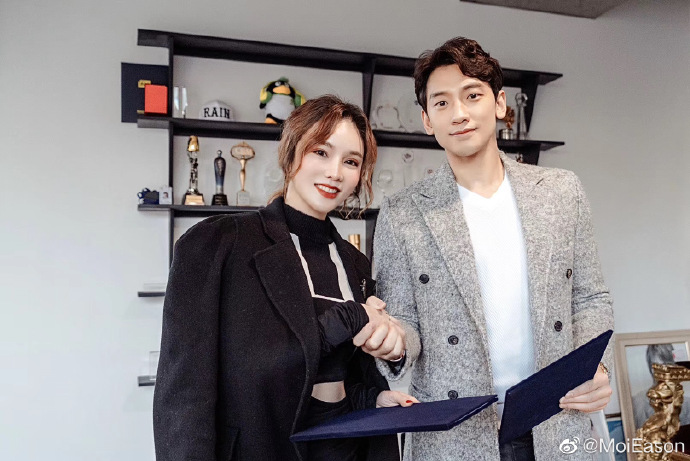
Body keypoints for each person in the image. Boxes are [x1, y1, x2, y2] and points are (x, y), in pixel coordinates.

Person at [372, 37, 615, 460]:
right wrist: (392, 342)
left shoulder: (560, 192)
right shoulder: (402, 213)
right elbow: (403, 322)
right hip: (453, 436)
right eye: (442, 103)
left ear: (500, 103)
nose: (459, 113)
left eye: (472, 95)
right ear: (427, 120)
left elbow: (590, 297)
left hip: (556, 422)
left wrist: (598, 366)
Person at [153, 94, 415, 461]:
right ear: (291, 152)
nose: (335, 172)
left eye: (351, 161)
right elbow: (184, 395)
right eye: (321, 152)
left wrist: (372, 399)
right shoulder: (218, 244)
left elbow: (340, 376)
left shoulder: (356, 264)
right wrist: (350, 316)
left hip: (346, 449)